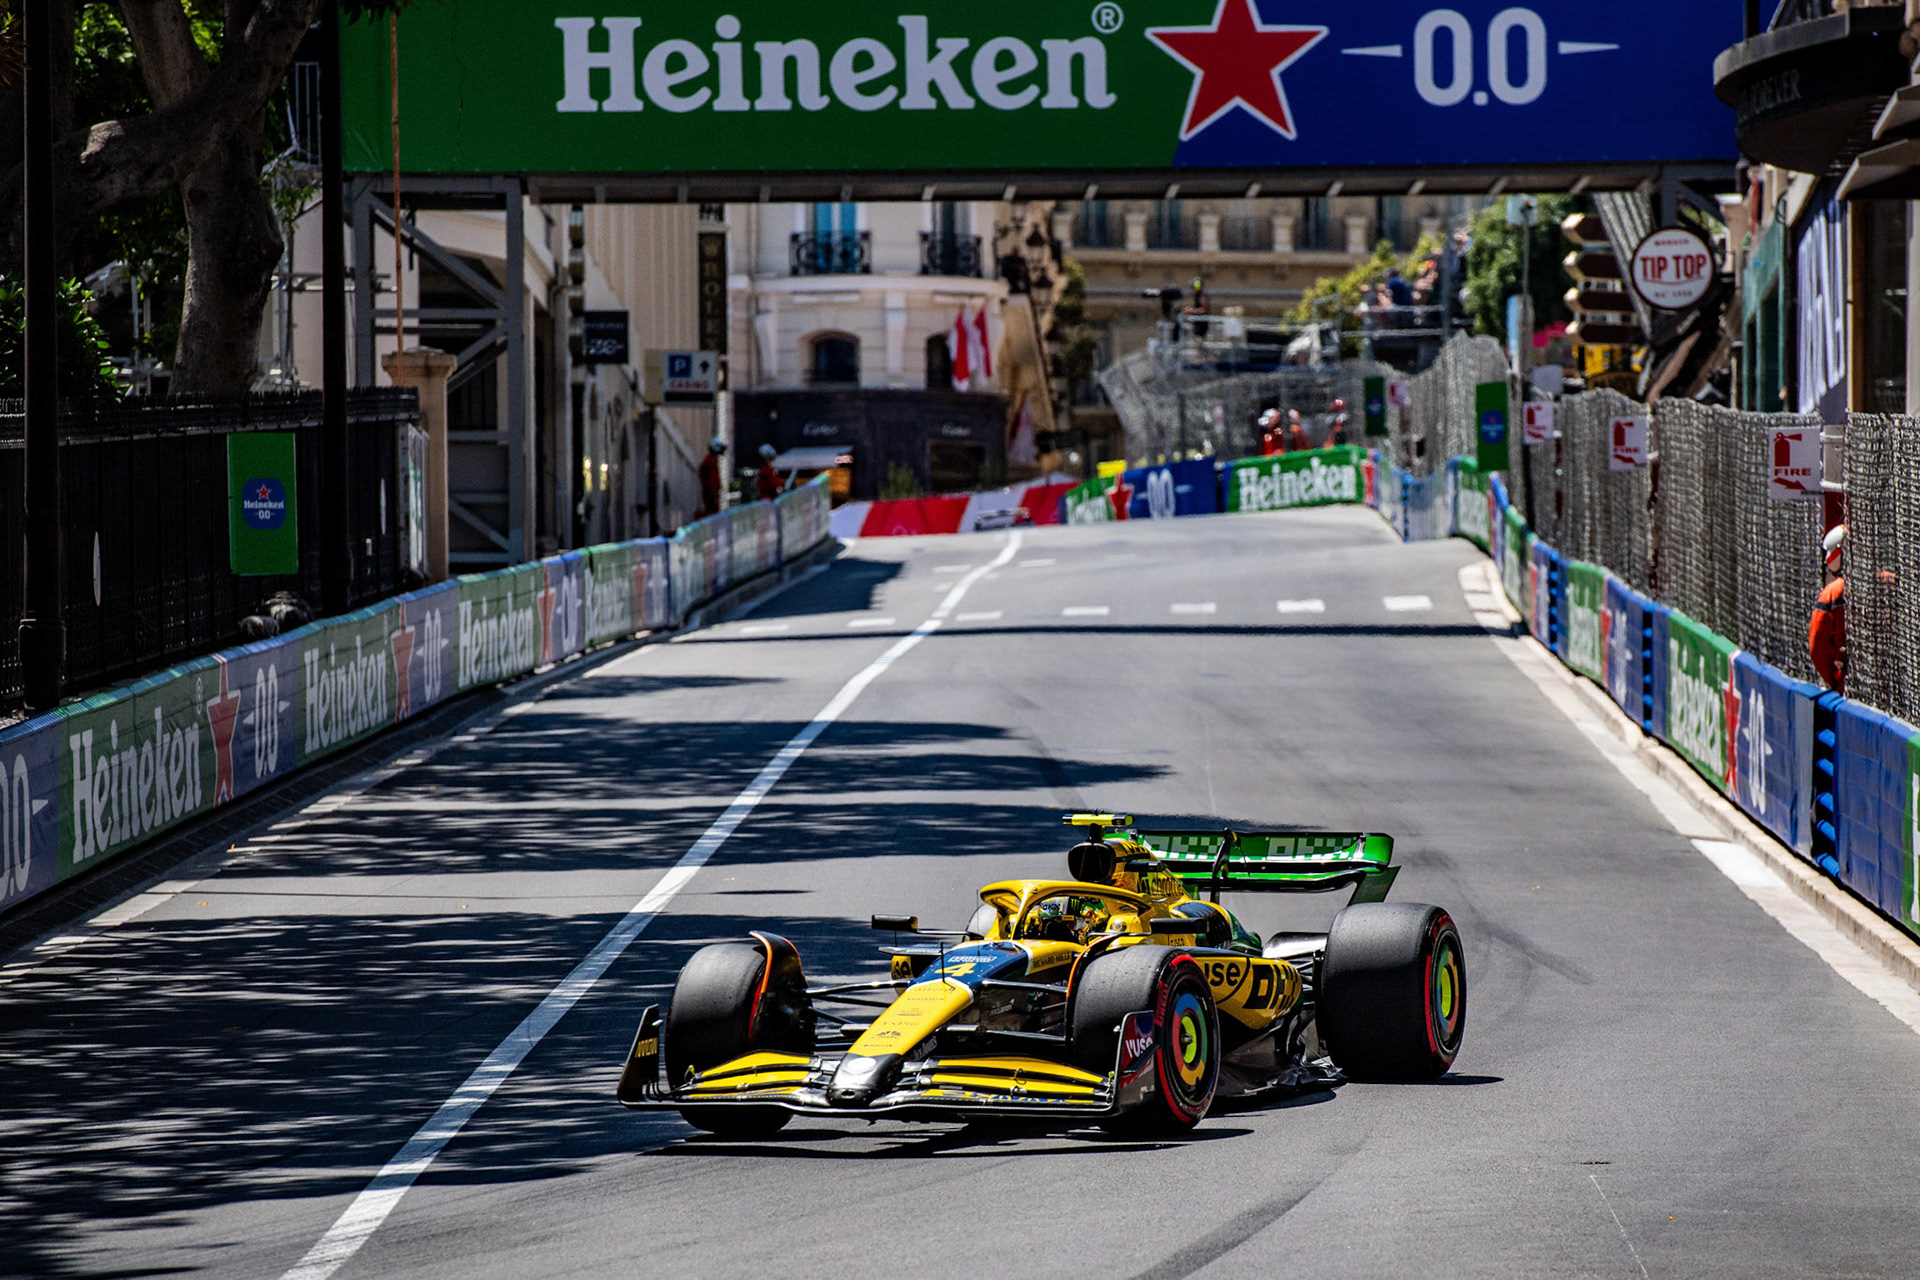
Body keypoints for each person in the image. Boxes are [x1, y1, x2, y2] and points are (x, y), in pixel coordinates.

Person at [1809, 524, 1846, 693]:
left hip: (1847, 680)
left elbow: (1817, 645)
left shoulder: (1833, 591)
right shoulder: (1885, 581)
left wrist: (1833, 679)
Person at [697, 437, 727, 518]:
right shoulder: (709, 461)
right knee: (712, 514)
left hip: (713, 493)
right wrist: (713, 495)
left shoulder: (713, 459)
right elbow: (710, 480)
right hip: (711, 495)